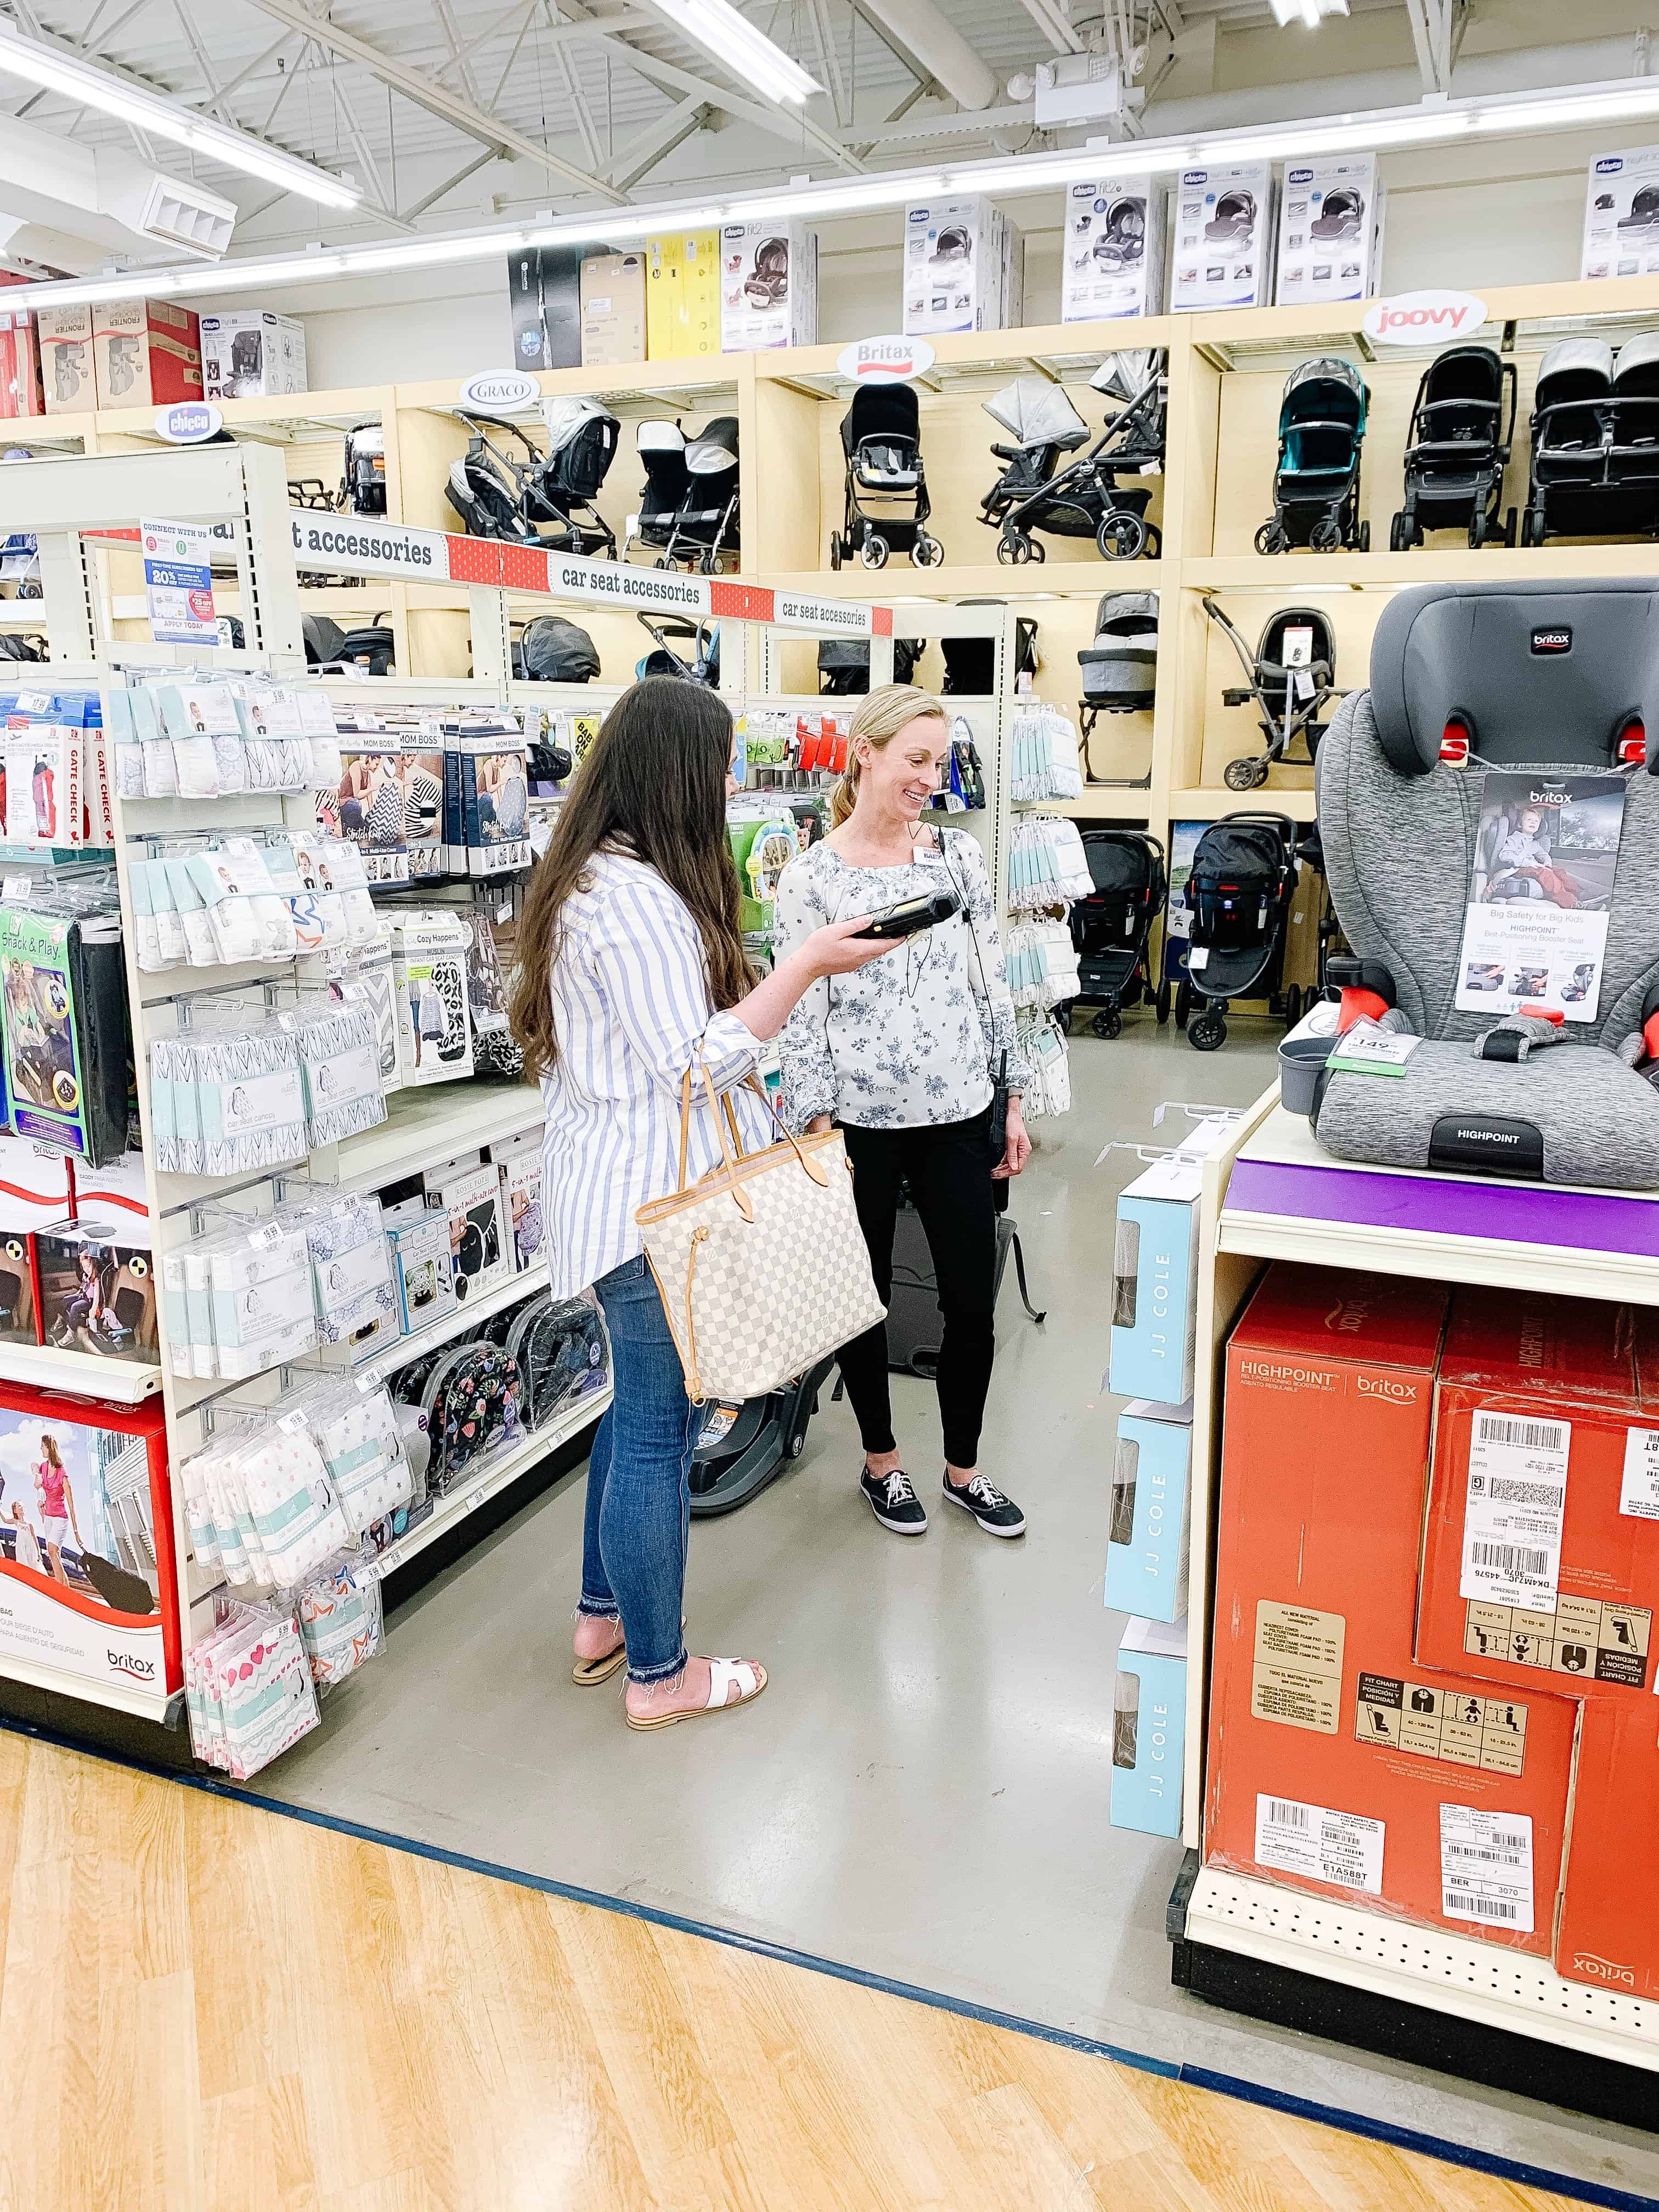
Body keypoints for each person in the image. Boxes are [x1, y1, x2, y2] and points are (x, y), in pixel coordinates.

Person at [509, 675, 900, 1731]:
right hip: (652, 1211)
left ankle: (602, 1620)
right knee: (655, 1427)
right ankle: (658, 1672)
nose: (730, 785)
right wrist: (809, 964)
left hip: (624, 1193)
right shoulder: (629, 901)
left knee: (634, 1414)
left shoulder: (600, 878)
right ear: (678, 773)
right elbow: (692, 1065)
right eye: (720, 767)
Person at [772, 684, 1032, 1543]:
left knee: (970, 1298)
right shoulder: (811, 878)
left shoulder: (954, 860)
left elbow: (990, 979)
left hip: (961, 1109)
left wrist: (1015, 1095)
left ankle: (964, 1469)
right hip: (857, 1127)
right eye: (915, 759)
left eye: (941, 759)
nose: (931, 776)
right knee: (866, 1298)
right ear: (867, 755)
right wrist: (815, 1124)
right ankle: (882, 1463)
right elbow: (801, 1009)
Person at [34, 1432, 78, 1587]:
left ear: (49, 1448)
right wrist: (37, 1477)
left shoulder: (62, 1473)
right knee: (54, 1553)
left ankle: (59, 1584)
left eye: (43, 1447)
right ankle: (66, 1587)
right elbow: (35, 1471)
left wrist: (77, 1533)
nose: (41, 1449)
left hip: (60, 1518)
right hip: (48, 1518)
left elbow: (71, 1506)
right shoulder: (43, 1467)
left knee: (52, 1550)